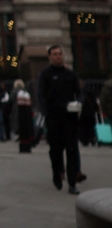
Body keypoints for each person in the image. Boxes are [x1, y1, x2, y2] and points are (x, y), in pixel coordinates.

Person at [37, 44, 83, 193]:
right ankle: (57, 174)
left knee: (72, 150)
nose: (58, 56)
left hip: (70, 118)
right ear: (50, 57)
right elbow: (41, 95)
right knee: (55, 151)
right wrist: (45, 112)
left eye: (60, 54)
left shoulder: (70, 74)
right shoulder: (45, 75)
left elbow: (79, 92)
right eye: (55, 54)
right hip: (54, 118)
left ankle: (72, 183)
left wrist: (79, 103)